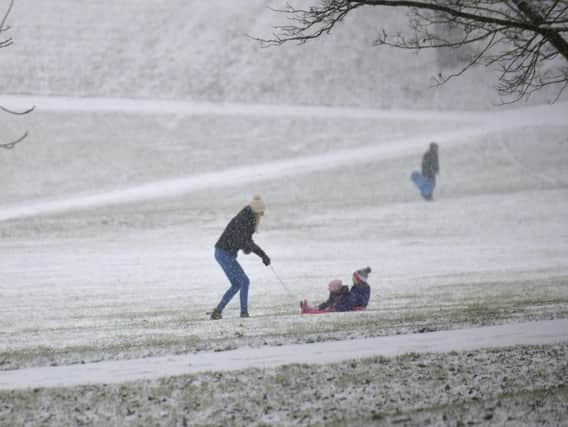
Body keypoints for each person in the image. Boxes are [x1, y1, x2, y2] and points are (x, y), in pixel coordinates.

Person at [210, 195, 271, 320]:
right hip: (224, 254)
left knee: (237, 284)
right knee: (244, 281)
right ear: (257, 211)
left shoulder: (246, 218)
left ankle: (218, 311)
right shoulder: (245, 220)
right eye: (262, 213)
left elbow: (244, 241)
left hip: (223, 253)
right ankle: (244, 313)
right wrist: (262, 255)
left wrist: (248, 248)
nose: (262, 215)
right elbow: (246, 242)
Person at [300, 267, 372, 313]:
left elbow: (352, 302)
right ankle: (314, 308)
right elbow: (352, 299)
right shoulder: (358, 288)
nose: (352, 279)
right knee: (333, 299)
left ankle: (313, 310)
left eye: (354, 278)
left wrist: (337, 307)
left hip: (353, 308)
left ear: (359, 280)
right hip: (349, 305)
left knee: (333, 302)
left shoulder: (361, 289)